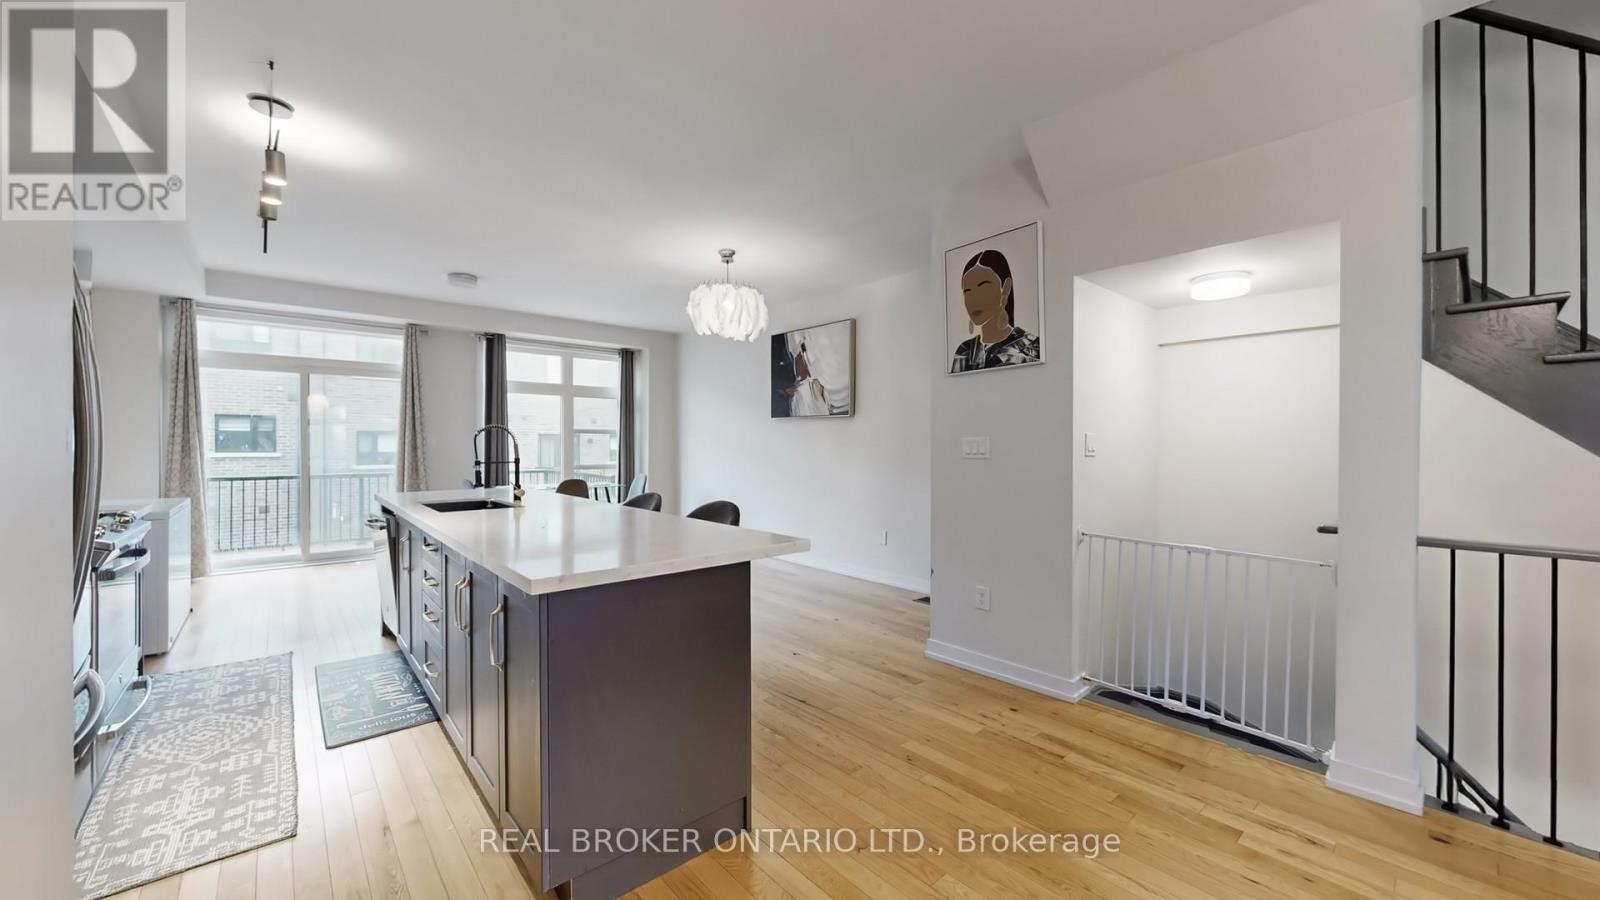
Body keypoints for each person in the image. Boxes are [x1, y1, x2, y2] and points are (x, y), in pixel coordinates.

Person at [950, 248, 1039, 373]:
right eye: (967, 292)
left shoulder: (1030, 346)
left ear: (1005, 288)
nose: (974, 300)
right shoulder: (964, 350)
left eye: (983, 287)